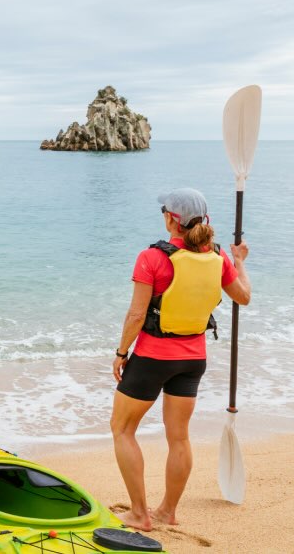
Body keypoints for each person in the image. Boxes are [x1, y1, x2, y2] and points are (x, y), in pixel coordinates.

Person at [110, 187, 251, 531]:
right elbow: (243, 297)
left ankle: (140, 514)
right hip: (193, 359)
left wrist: (121, 352)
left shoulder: (152, 257)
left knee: (123, 428)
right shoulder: (218, 258)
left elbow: (136, 314)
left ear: (172, 219)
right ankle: (167, 512)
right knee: (179, 437)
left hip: (152, 357)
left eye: (164, 211)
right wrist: (240, 261)